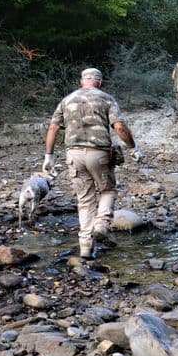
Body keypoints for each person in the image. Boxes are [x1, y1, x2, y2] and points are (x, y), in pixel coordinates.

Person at [43, 68, 142, 259]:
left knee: (85, 200)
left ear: (82, 82)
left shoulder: (67, 99)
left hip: (74, 155)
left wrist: (49, 156)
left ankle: (86, 247)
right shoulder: (106, 98)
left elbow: (53, 127)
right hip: (100, 154)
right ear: (100, 82)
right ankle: (101, 225)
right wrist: (133, 148)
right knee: (108, 190)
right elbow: (119, 126)